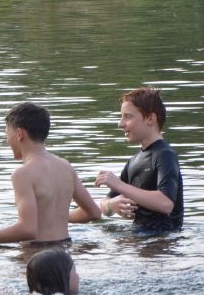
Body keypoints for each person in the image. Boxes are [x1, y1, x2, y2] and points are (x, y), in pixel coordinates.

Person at [0, 103, 101, 248]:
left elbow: (27, 230)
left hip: (36, 254)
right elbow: (94, 213)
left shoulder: (23, 174)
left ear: (19, 134)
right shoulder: (65, 166)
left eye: (7, 134)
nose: (7, 141)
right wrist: (55, 215)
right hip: (65, 251)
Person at [76, 87, 184, 234]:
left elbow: (166, 204)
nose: (120, 124)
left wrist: (119, 185)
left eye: (128, 117)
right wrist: (111, 205)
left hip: (163, 241)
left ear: (151, 119)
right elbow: (103, 205)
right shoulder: (134, 161)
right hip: (139, 238)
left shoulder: (165, 155)